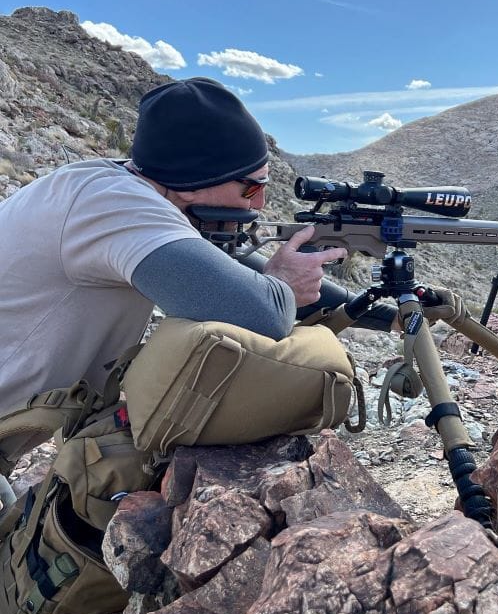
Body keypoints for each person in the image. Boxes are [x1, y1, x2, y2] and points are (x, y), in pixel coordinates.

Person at [0, 77, 397, 421]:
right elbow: (261, 313)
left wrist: (388, 316)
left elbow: (244, 273)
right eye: (252, 187)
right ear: (196, 180)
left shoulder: (133, 186)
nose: (257, 204)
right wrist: (284, 283)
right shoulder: (116, 206)